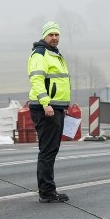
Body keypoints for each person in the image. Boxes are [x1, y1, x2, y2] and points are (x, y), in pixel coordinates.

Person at [28, 21, 71, 203]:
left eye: (57, 34)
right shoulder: (40, 54)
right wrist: (46, 103)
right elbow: (37, 80)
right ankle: (46, 192)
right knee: (47, 151)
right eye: (51, 34)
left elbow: (58, 83)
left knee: (51, 150)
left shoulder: (55, 54)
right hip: (46, 109)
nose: (54, 37)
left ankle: (48, 189)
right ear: (44, 36)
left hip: (55, 108)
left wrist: (62, 107)